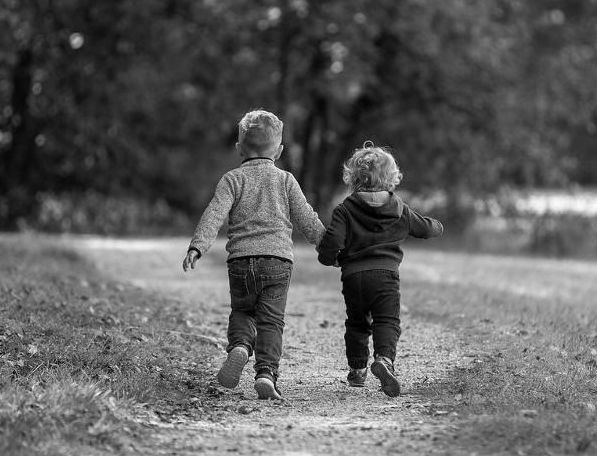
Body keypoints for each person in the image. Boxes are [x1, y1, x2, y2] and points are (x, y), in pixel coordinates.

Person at [182, 109, 325, 400]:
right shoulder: (285, 180)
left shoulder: (232, 179)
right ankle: (266, 374)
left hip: (240, 261)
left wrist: (198, 246)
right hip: (278, 261)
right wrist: (327, 244)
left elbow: (214, 215)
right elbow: (305, 217)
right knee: (271, 321)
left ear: (239, 149)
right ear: (280, 150)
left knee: (243, 311)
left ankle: (240, 346)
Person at [316, 142, 443, 397]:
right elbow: (425, 229)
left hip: (353, 278)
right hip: (386, 277)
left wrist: (330, 258)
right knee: (387, 320)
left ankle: (357, 370)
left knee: (356, 323)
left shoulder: (345, 210)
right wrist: (438, 226)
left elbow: (332, 242)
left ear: (353, 178)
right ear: (392, 178)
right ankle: (384, 360)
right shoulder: (400, 210)